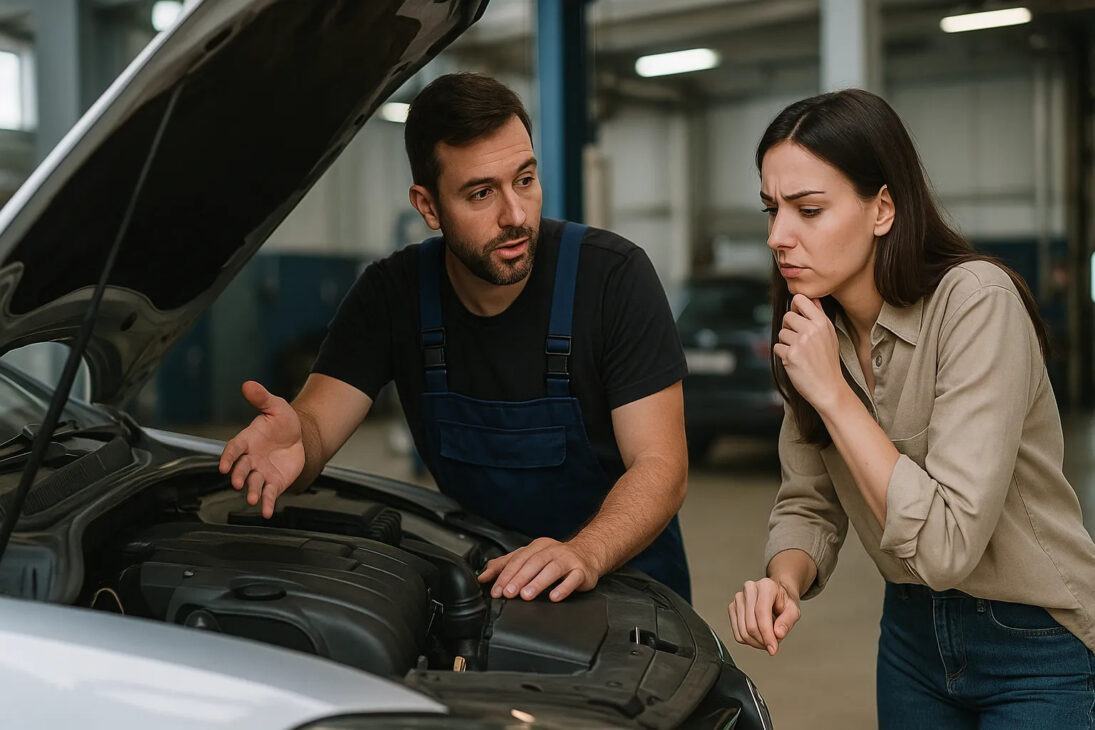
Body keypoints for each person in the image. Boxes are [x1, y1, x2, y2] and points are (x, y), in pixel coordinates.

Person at [218, 73, 692, 603]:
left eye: (525, 180)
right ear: (428, 206)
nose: (515, 216)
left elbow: (661, 466)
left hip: (630, 592)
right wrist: (298, 446)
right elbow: (314, 429)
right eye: (481, 193)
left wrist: (585, 552)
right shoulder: (392, 295)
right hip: (494, 591)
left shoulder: (613, 278)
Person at [728, 89, 1095, 728]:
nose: (777, 237)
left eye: (808, 210)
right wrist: (783, 581)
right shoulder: (814, 330)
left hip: (1035, 642)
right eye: (771, 209)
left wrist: (834, 394)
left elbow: (949, 546)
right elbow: (808, 502)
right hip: (911, 637)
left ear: (883, 208)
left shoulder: (976, 304)